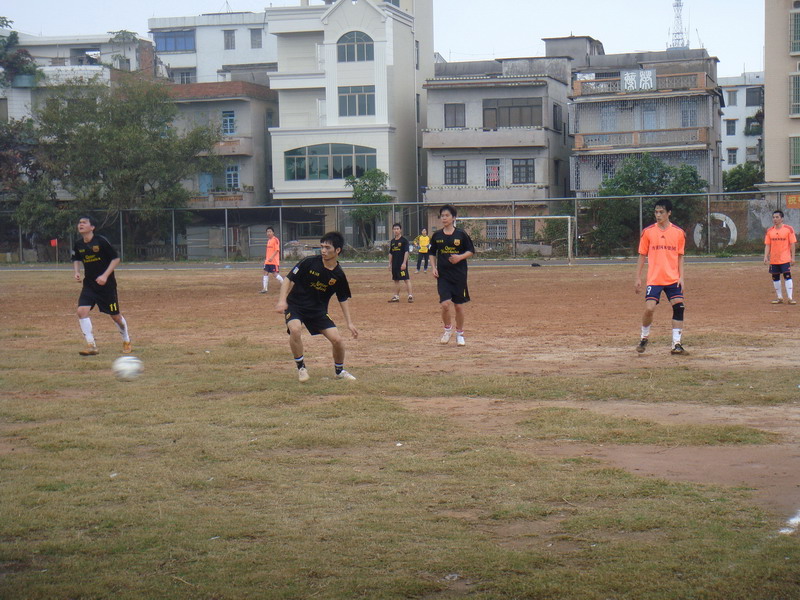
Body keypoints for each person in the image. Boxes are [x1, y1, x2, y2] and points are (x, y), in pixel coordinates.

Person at [274, 231, 359, 382]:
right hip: (296, 305)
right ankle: (301, 368)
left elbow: (343, 298)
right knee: (295, 329)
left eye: (327, 247)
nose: (323, 250)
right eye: (322, 247)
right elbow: (288, 279)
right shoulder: (309, 262)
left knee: (338, 340)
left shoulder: (339, 275)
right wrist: (282, 301)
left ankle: (339, 371)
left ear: (337, 250)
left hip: (317, 311)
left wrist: (349, 323)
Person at [71, 216, 132, 356]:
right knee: (81, 311)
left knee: (115, 316)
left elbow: (116, 259)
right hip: (90, 285)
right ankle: (91, 345)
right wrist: (77, 272)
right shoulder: (78, 244)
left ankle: (126, 340)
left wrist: (105, 276)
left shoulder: (101, 241)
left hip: (107, 286)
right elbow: (76, 259)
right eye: (79, 222)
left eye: (84, 222)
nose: (80, 224)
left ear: (92, 227)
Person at [634, 199, 687, 355]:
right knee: (649, 308)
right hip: (655, 279)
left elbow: (680, 256)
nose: (658, 215)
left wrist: (681, 277)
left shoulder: (678, 233)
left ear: (669, 213)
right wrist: (637, 277)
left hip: (672, 278)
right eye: (656, 212)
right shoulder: (648, 232)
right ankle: (644, 337)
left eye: (661, 212)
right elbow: (642, 255)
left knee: (679, 306)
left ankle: (676, 344)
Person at [429, 205, 474, 346]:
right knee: (445, 305)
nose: (444, 218)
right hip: (443, 276)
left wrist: (459, 257)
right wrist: (434, 267)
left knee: (458, 306)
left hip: (459, 275)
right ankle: (447, 330)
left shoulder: (461, 234)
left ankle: (460, 333)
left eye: (447, 215)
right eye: (442, 215)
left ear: (453, 218)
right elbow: (432, 253)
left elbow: (471, 251)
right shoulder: (437, 235)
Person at [763, 210, 797, 305]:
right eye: (774, 217)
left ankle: (790, 298)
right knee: (775, 277)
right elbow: (768, 245)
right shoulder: (769, 231)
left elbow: (792, 244)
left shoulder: (788, 229)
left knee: (787, 276)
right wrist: (766, 256)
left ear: (782, 218)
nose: (775, 219)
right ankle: (779, 297)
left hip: (785, 258)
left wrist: (793, 257)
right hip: (774, 259)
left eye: (777, 217)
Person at [388, 223, 414, 303]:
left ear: (400, 230)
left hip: (402, 265)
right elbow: (391, 253)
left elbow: (406, 252)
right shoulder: (392, 241)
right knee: (396, 280)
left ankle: (410, 296)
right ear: (392, 230)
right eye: (394, 229)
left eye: (397, 229)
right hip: (395, 264)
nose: (396, 230)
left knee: (406, 279)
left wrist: (404, 263)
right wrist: (389, 263)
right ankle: (396, 296)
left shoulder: (404, 241)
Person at [260, 226, 284, 293]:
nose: (268, 233)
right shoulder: (269, 240)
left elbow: (277, 250)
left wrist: (272, 257)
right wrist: (267, 259)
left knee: (275, 274)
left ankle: (284, 284)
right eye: (267, 232)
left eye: (270, 231)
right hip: (267, 261)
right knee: (265, 272)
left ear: (273, 232)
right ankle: (265, 289)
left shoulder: (275, 240)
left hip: (274, 261)